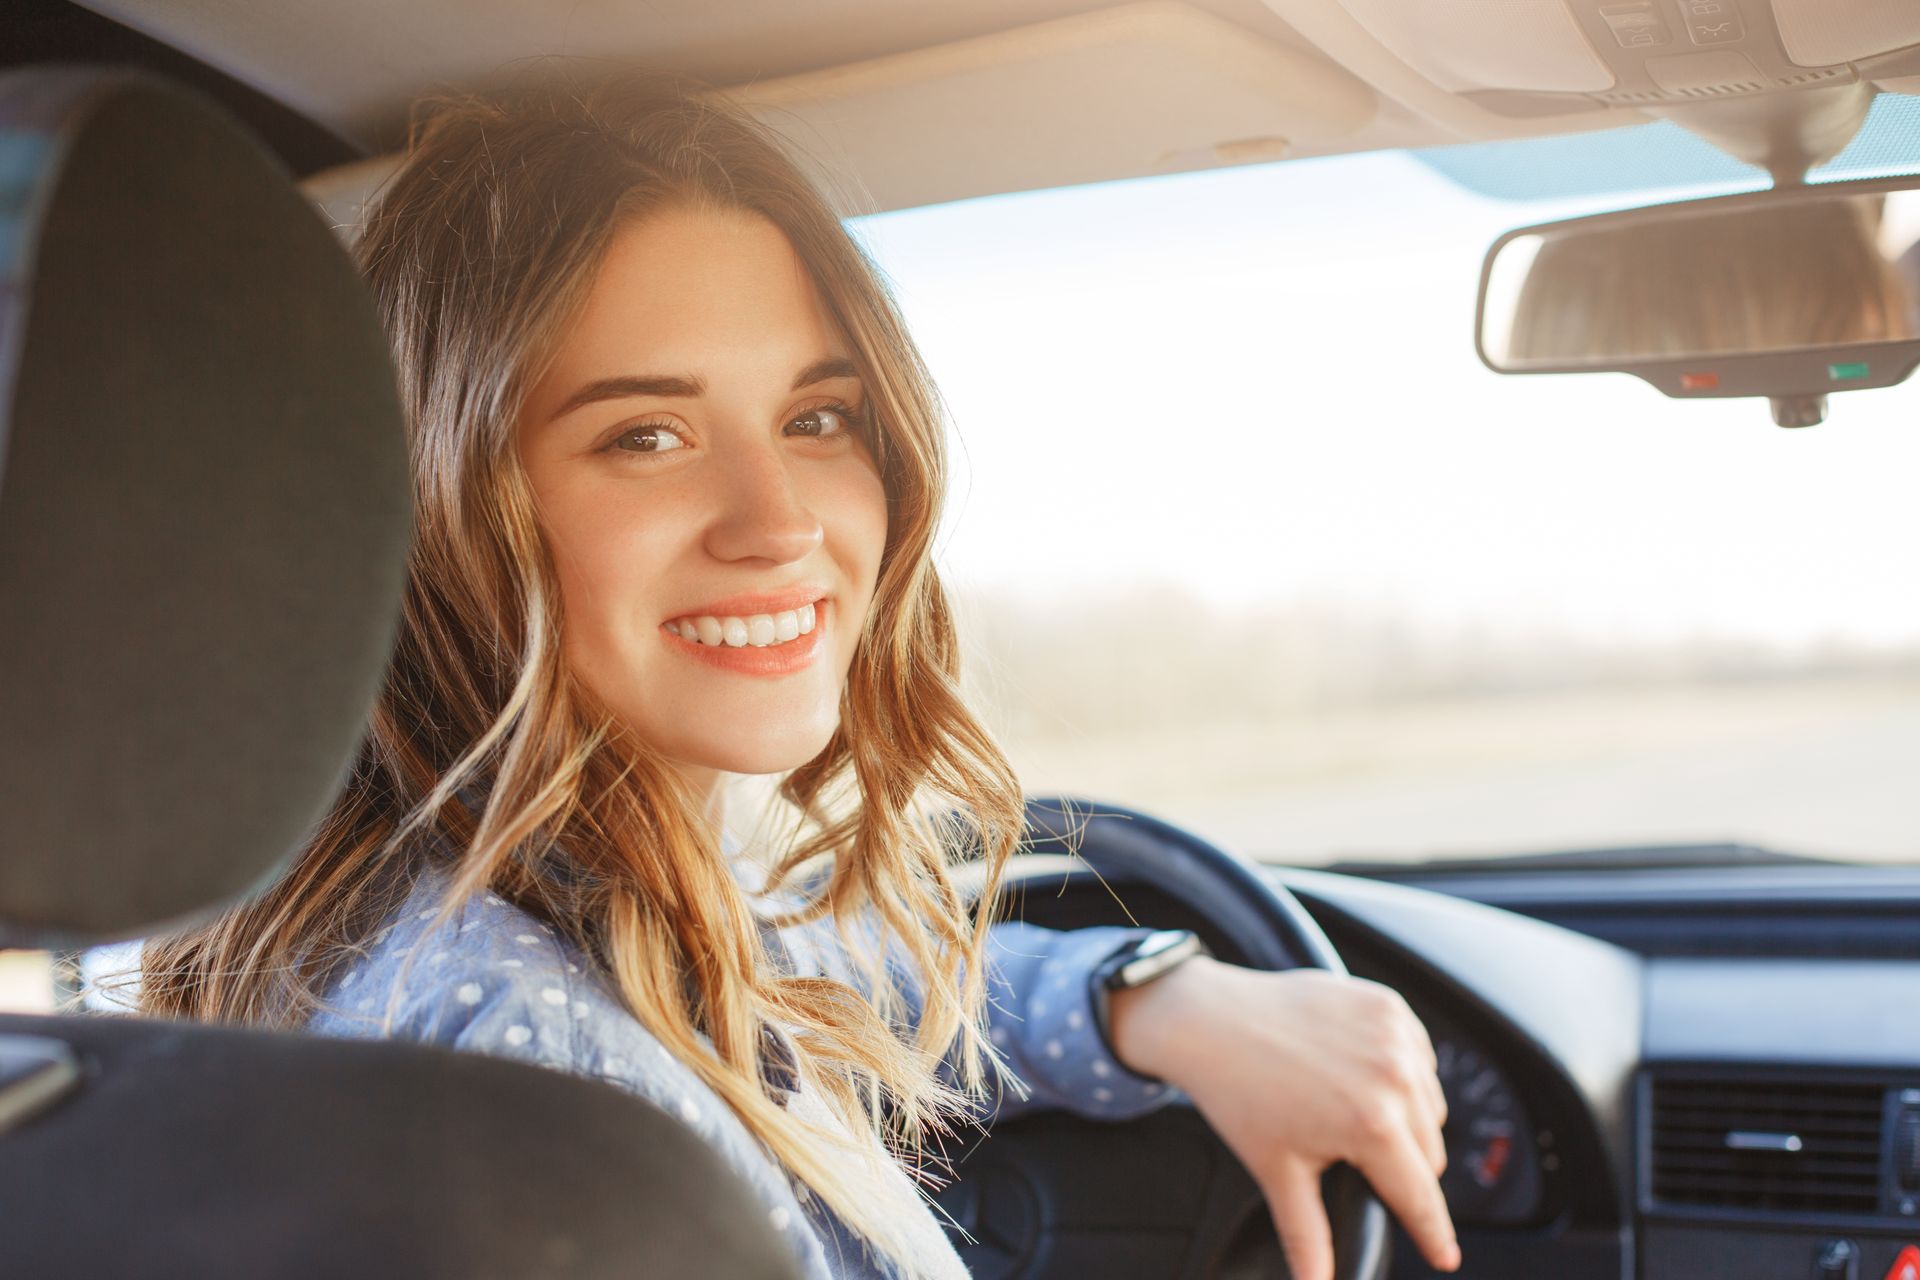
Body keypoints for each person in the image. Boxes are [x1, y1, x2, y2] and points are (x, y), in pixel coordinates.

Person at [131, 71, 1457, 1280]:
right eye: (645, 435)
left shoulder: (509, 910)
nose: (779, 522)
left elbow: (813, 972)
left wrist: (1149, 996)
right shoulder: (551, 1083)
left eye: (817, 419)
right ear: (443, 505)